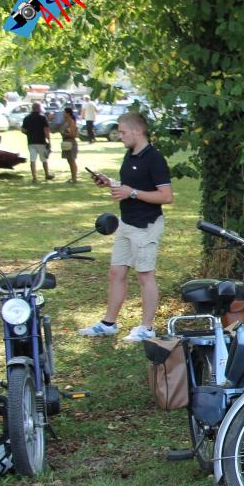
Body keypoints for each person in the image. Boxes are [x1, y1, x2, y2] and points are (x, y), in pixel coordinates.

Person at [79, 111, 174, 343]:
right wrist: (110, 183)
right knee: (116, 273)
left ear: (137, 131)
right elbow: (132, 186)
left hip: (146, 225)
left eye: (122, 132)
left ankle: (147, 328)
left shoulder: (155, 159)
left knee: (145, 275)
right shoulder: (130, 155)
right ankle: (108, 323)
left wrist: (130, 192)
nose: (119, 136)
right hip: (126, 223)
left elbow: (166, 196)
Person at [20, 102, 52, 182]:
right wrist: (49, 140)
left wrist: (29, 133)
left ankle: (34, 177)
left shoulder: (27, 118)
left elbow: (23, 130)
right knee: (44, 159)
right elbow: (46, 130)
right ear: (38, 108)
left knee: (33, 159)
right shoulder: (42, 118)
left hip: (31, 141)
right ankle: (47, 174)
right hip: (41, 141)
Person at [60, 107, 80, 183]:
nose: (63, 114)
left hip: (71, 143)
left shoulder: (71, 122)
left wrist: (64, 133)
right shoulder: (66, 122)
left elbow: (73, 134)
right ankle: (72, 177)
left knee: (72, 161)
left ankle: (74, 178)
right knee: (69, 161)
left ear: (68, 113)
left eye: (64, 113)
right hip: (66, 142)